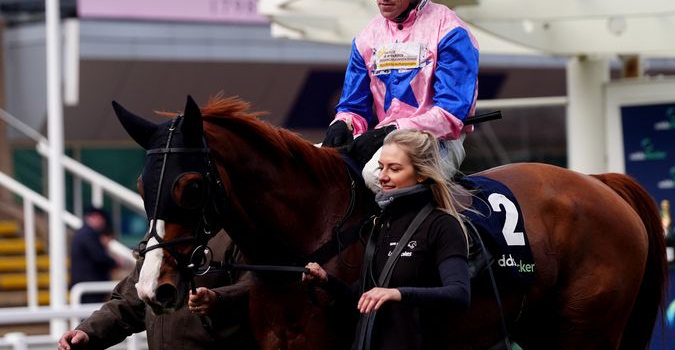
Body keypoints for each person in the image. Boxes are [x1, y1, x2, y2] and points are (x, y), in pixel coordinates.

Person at [321, 0, 480, 191]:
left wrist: (389, 131)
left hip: (436, 140)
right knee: (309, 165)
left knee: (377, 176)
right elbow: (353, 106)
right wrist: (343, 123)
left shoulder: (451, 31)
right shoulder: (366, 38)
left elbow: (451, 115)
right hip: (383, 140)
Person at [305, 129, 471, 350]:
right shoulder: (381, 222)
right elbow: (362, 297)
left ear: (421, 174)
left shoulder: (442, 225)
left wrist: (397, 293)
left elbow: (459, 294)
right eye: (381, 167)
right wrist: (326, 281)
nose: (383, 176)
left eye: (394, 169)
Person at [58, 229, 256, 350]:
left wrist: (217, 299)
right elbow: (131, 301)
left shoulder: (239, 230)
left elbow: (261, 288)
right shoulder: (158, 233)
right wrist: (88, 332)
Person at [69, 207, 119, 304]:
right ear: (96, 217)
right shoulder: (88, 234)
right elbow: (99, 257)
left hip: (86, 285)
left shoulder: (84, 233)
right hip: (89, 286)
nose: (103, 223)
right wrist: (115, 262)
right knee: (90, 316)